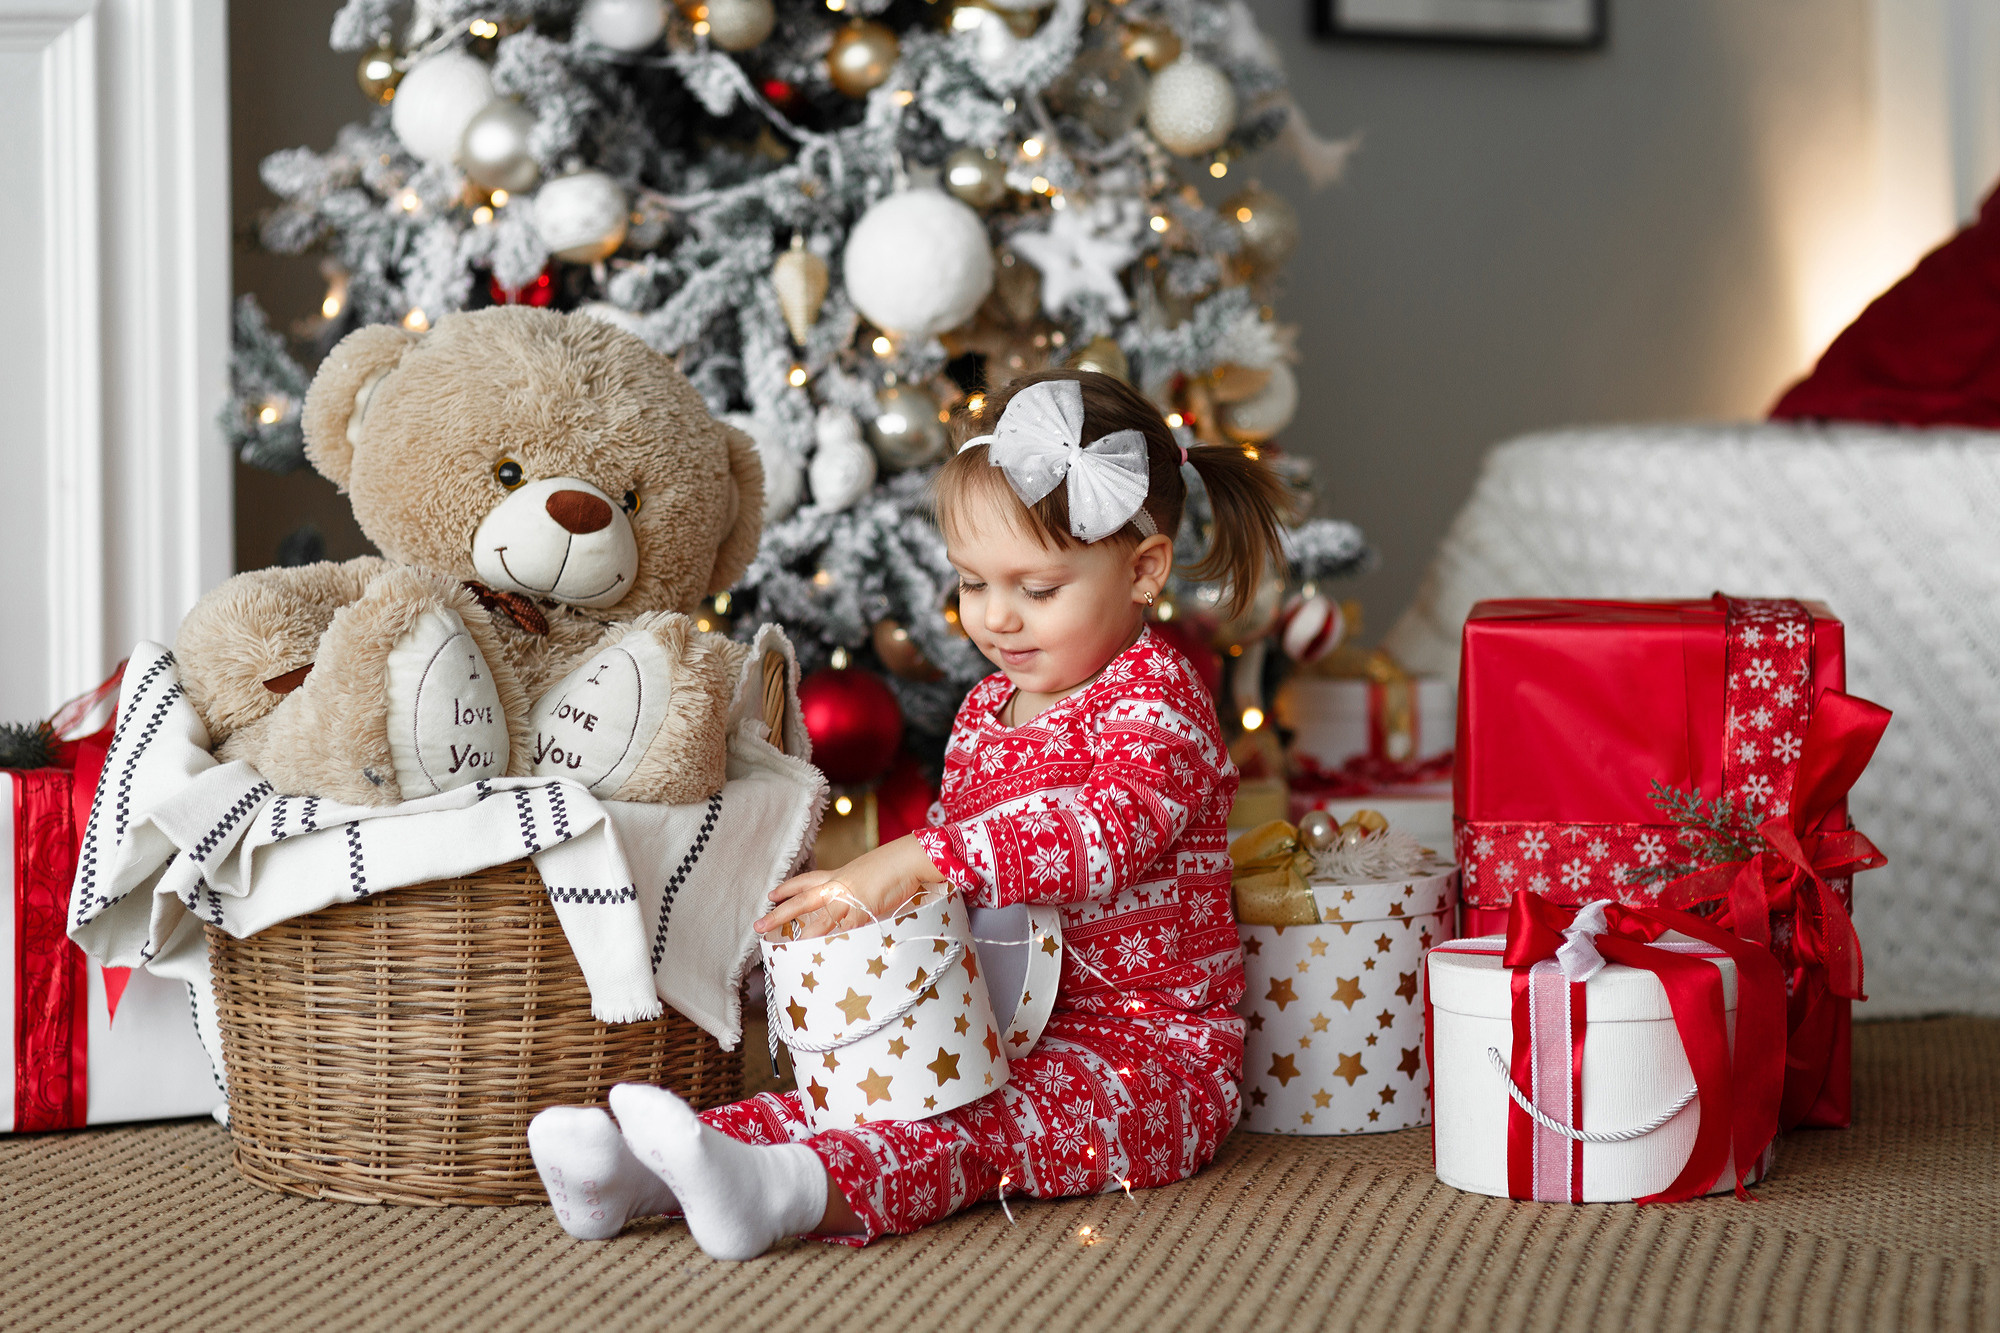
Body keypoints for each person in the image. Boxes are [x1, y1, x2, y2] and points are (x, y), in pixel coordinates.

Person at [528, 369, 1292, 1259]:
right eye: (973, 583)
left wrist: (910, 859)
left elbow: (1101, 836)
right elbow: (961, 887)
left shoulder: (1159, 699)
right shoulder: (983, 713)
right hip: (995, 1019)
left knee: (976, 1128)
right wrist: (869, 912)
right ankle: (635, 1176)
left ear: (1143, 570)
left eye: (1037, 589)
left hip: (1143, 1059)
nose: (997, 618)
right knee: (858, 1088)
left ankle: (787, 1193)